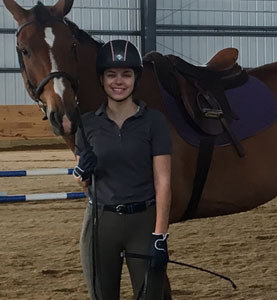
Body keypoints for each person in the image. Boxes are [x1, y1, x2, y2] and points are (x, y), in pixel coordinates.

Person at [73, 39, 172, 300]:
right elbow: (83, 183)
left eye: (126, 74)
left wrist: (160, 235)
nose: (119, 81)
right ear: (101, 79)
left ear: (135, 79)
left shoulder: (154, 122)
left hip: (144, 221)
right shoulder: (87, 125)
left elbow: (163, 182)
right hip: (100, 222)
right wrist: (81, 173)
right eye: (111, 74)